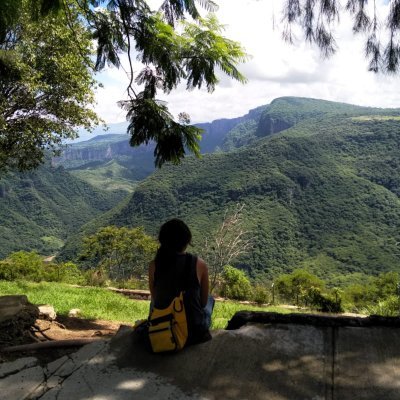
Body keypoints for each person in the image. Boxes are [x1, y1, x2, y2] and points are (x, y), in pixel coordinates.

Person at [148, 218, 214, 345]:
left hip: (164, 327)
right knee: (210, 300)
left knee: (153, 303)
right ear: (187, 241)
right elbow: (203, 302)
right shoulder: (199, 264)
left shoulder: (154, 265)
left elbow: (156, 299)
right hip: (193, 332)